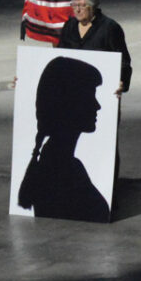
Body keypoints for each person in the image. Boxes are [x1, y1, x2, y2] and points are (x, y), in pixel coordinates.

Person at [15, 56, 111, 223]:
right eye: (90, 95)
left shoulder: (60, 163)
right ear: (70, 101)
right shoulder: (62, 169)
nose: (97, 105)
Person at [54, 0, 132, 97]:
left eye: (82, 5)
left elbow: (123, 62)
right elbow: (58, 57)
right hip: (71, 91)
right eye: (74, 5)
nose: (77, 10)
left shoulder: (110, 28)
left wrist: (121, 82)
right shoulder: (69, 26)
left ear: (93, 5)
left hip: (100, 92)